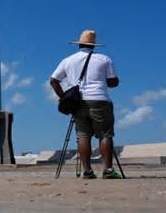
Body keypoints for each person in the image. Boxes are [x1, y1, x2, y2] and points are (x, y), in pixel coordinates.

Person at [49, 29, 122, 179]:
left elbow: (53, 81)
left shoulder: (68, 60)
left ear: (79, 44)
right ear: (94, 45)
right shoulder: (104, 59)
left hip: (78, 102)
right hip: (100, 99)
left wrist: (64, 98)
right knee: (105, 135)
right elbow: (113, 82)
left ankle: (87, 171)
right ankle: (108, 170)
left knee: (83, 135)